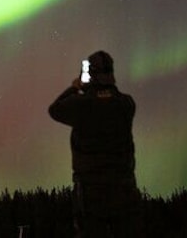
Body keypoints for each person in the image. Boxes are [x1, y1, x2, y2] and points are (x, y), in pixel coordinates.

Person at [48, 50, 140, 237]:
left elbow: (55, 109)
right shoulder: (127, 103)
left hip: (91, 191)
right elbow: (106, 101)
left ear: (90, 74)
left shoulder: (81, 104)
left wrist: (76, 87)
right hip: (123, 188)